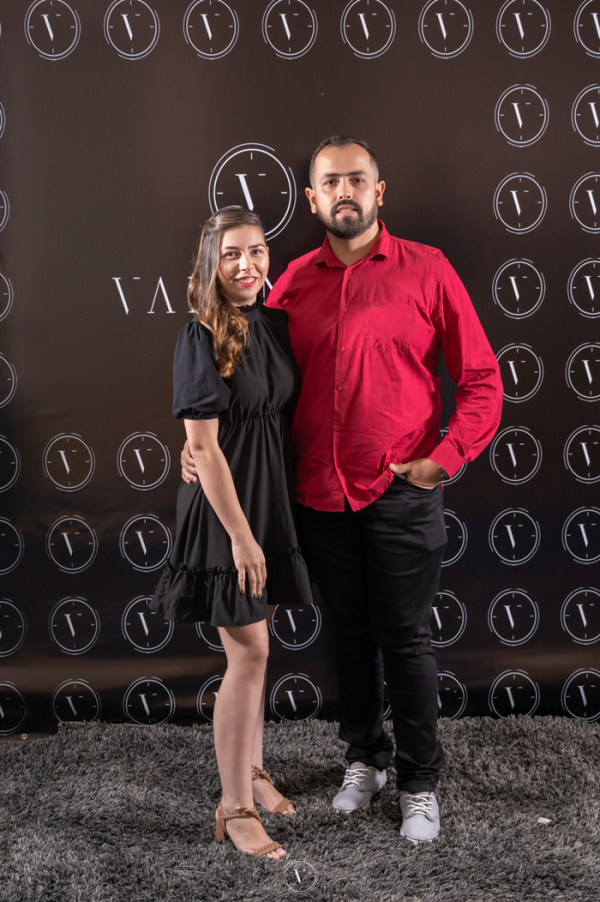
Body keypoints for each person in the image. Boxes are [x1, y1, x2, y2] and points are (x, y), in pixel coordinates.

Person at [181, 138, 503, 844]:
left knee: (406, 640)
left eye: (358, 179)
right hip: (317, 498)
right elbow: (242, 376)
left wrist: (444, 460)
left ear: (379, 192)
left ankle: (419, 782)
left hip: (400, 492)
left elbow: (482, 380)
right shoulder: (291, 283)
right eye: (331, 182)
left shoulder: (428, 269)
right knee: (349, 636)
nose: (345, 191)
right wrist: (197, 441)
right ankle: (366, 758)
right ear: (312, 199)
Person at [151, 206, 313, 860]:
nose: (247, 266)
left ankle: (253, 771)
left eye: (257, 252)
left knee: (258, 650)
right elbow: (205, 449)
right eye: (232, 255)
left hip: (269, 502)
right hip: (227, 515)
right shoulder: (199, 335)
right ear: (211, 264)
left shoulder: (273, 324)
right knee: (249, 654)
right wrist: (243, 538)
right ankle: (235, 806)